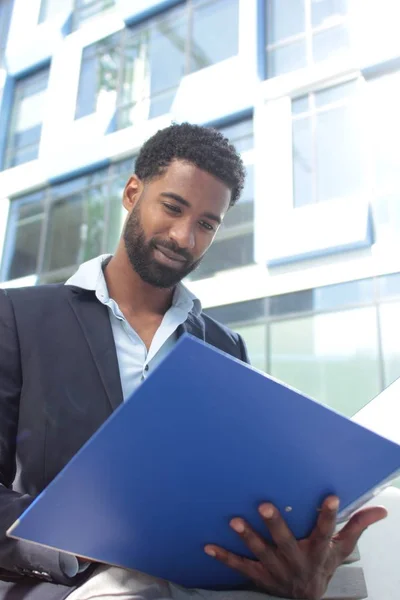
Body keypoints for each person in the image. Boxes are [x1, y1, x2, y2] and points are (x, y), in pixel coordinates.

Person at [0, 123, 386, 600]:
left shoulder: (227, 349)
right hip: (76, 585)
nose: (184, 237)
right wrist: (82, 546)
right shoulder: (16, 317)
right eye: (172, 207)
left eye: (206, 224)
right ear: (132, 192)